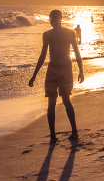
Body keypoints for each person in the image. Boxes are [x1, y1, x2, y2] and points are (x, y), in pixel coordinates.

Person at [29, 10, 84, 142]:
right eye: (50, 19)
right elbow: (42, 56)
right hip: (54, 70)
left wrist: (81, 71)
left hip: (64, 70)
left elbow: (77, 53)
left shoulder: (69, 33)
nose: (52, 21)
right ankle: (53, 136)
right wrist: (34, 75)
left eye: (53, 19)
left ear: (60, 19)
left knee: (66, 101)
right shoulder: (47, 35)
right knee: (51, 104)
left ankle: (74, 131)